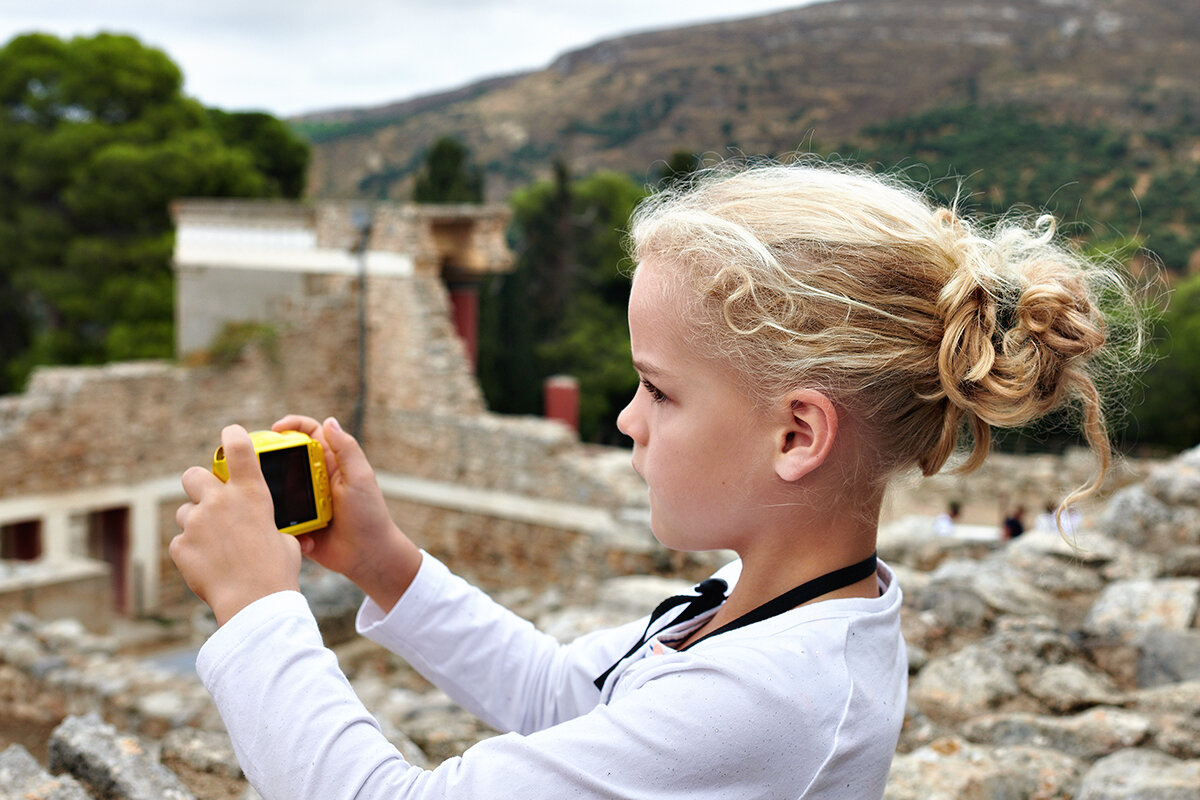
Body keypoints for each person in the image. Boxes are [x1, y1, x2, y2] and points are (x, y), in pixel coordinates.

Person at [170, 159, 1135, 800]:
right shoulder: (759, 608)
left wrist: (258, 612)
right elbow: (570, 701)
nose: (626, 419)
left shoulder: (770, 700)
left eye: (659, 391)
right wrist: (385, 563)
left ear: (797, 433)